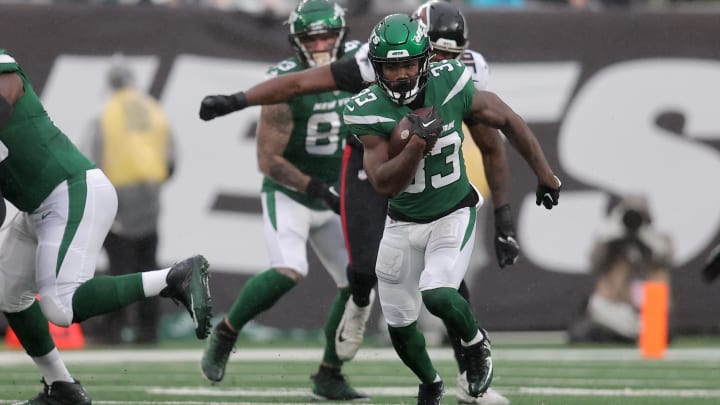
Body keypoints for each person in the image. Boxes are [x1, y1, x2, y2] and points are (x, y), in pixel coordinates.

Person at [199, 2, 513, 403]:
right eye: (432, 53)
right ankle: (245, 330)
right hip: (358, 175)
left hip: (423, 178)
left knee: (448, 285)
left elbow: (492, 144)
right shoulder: (367, 63)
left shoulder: (460, 75)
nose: (437, 64)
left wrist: (504, 215)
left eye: (447, 56)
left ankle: (469, 373)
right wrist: (236, 100)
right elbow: (294, 89)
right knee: (356, 270)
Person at [341, 14, 560, 404]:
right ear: (376, 68)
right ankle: (430, 383)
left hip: (452, 212)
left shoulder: (451, 80)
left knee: (438, 293)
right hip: (401, 221)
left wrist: (544, 173)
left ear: (425, 61)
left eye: (409, 64)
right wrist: (414, 146)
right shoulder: (365, 109)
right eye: (391, 67)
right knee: (400, 323)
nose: (402, 75)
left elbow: (507, 119)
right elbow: (384, 183)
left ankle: (475, 344)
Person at [0, 49, 212, 404]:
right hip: (38, 204)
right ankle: (62, 387)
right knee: (7, 293)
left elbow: (5, 98)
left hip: (69, 190)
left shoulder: (5, 70)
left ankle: (175, 277)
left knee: (60, 308)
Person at [199, 0, 367, 400]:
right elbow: (267, 160)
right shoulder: (284, 83)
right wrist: (316, 189)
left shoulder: (362, 67)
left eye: (328, 35)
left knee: (358, 283)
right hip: (292, 192)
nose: (322, 44)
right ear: (296, 41)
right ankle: (227, 332)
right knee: (289, 269)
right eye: (313, 37)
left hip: (337, 191)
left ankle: (329, 372)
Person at [84, 55, 176, 344]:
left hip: (117, 193)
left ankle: (115, 326)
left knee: (120, 264)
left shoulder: (106, 113)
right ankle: (148, 327)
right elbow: (171, 157)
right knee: (148, 262)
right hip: (150, 192)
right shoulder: (153, 108)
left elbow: (90, 156)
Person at [567, 194, 674, 344]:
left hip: (647, 308)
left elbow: (667, 259)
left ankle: (637, 330)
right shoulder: (612, 241)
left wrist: (646, 239)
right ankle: (631, 331)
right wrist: (609, 237)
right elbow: (593, 263)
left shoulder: (659, 238)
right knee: (617, 267)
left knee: (659, 272)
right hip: (617, 304)